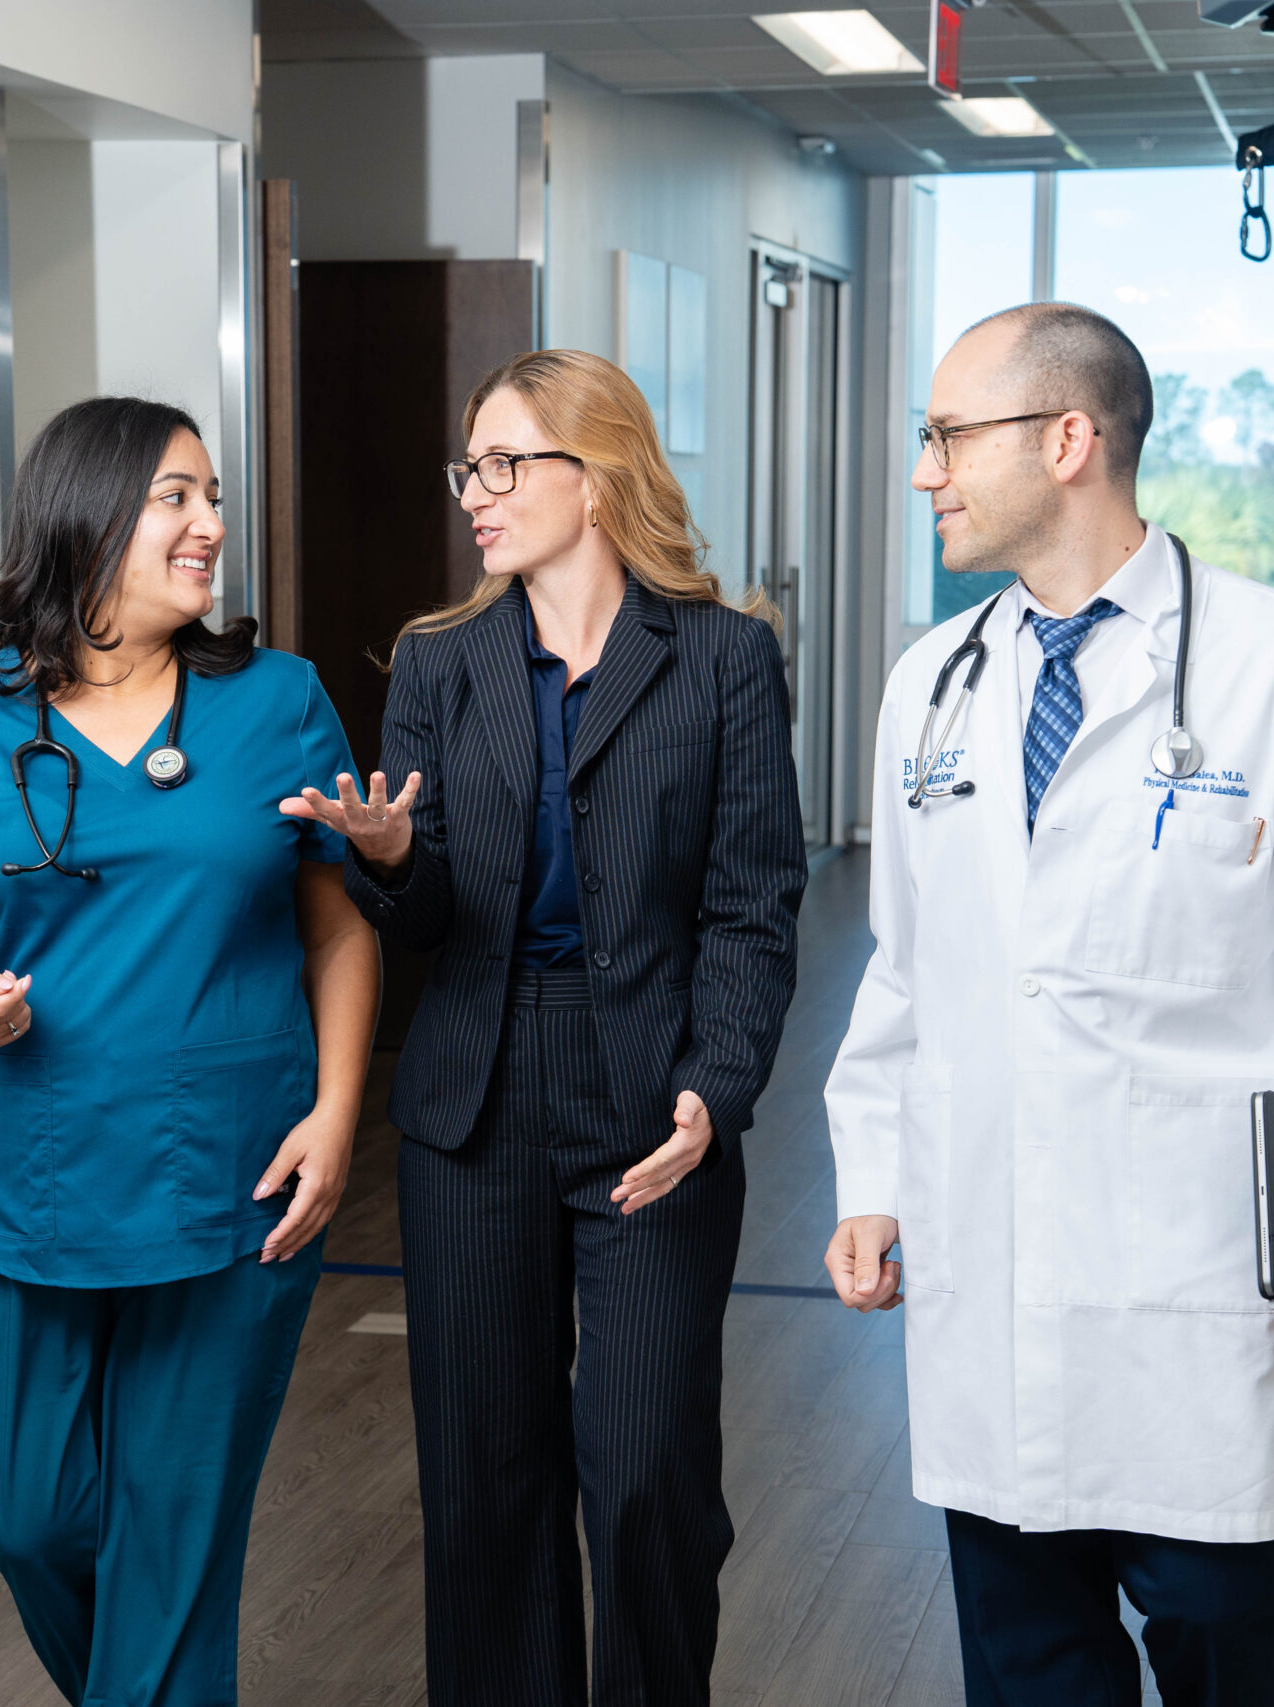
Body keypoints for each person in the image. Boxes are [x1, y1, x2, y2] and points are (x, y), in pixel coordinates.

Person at [822, 304, 1274, 1706]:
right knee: (1029, 1666)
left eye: (947, 436)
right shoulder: (933, 685)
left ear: (1069, 440)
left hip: (1193, 1281)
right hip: (987, 1272)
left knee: (1223, 1652)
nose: (926, 471)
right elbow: (906, 967)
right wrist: (872, 1177)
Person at [283, 349, 808, 1707]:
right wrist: (394, 856)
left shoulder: (725, 659)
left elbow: (754, 906)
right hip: (478, 1095)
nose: (478, 493)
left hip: (655, 1099)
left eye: (506, 464)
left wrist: (717, 1090)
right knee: (484, 1482)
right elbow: (426, 916)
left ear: (600, 474)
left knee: (645, 1477)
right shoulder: (439, 662)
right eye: (471, 467)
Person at [0, 397, 378, 1707]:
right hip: (23, 1179)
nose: (211, 528)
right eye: (178, 500)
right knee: (31, 1514)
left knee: (176, 1539)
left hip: (230, 1179)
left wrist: (337, 1114)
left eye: (214, 500)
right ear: (85, 516)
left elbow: (340, 933)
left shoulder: (275, 703)